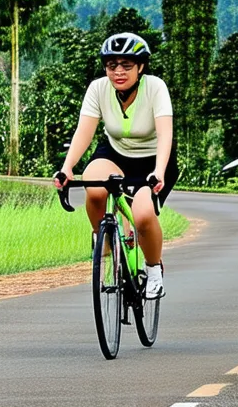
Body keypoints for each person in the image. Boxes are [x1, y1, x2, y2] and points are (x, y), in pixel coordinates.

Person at [53, 32, 178, 299]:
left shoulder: (155, 87)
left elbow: (166, 133)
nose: (118, 72)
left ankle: (153, 270)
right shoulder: (98, 89)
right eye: (112, 66)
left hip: (154, 159)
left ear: (141, 67)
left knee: (143, 215)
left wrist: (158, 171)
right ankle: (105, 239)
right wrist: (67, 168)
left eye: (126, 65)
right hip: (115, 153)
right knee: (93, 184)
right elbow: (84, 132)